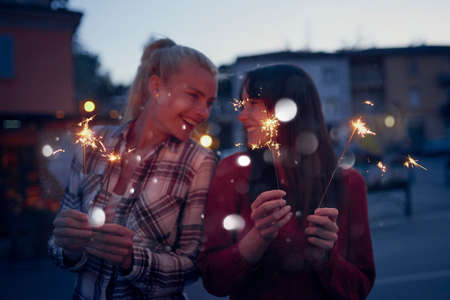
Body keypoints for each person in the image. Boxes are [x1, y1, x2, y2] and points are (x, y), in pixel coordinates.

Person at [48, 38, 218, 299]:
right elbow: (56, 243)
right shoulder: (94, 143)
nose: (204, 113)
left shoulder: (199, 161)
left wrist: (131, 260)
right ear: (156, 87)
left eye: (209, 102)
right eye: (194, 96)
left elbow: (193, 265)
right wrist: (68, 247)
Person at [197, 64, 375, 300]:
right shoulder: (232, 172)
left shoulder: (348, 182)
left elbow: (360, 287)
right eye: (243, 104)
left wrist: (326, 258)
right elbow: (214, 281)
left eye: (254, 105)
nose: (241, 116)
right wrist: (256, 240)